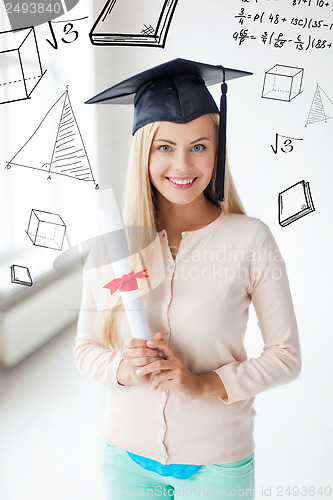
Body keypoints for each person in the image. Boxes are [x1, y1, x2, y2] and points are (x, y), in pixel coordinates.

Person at [75, 59, 302, 499]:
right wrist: (124, 367)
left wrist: (205, 383)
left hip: (217, 462)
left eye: (199, 146)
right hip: (125, 459)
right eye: (164, 147)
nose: (182, 163)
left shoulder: (251, 239)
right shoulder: (113, 243)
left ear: (218, 151)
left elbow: (286, 356)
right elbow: (86, 350)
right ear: (143, 152)